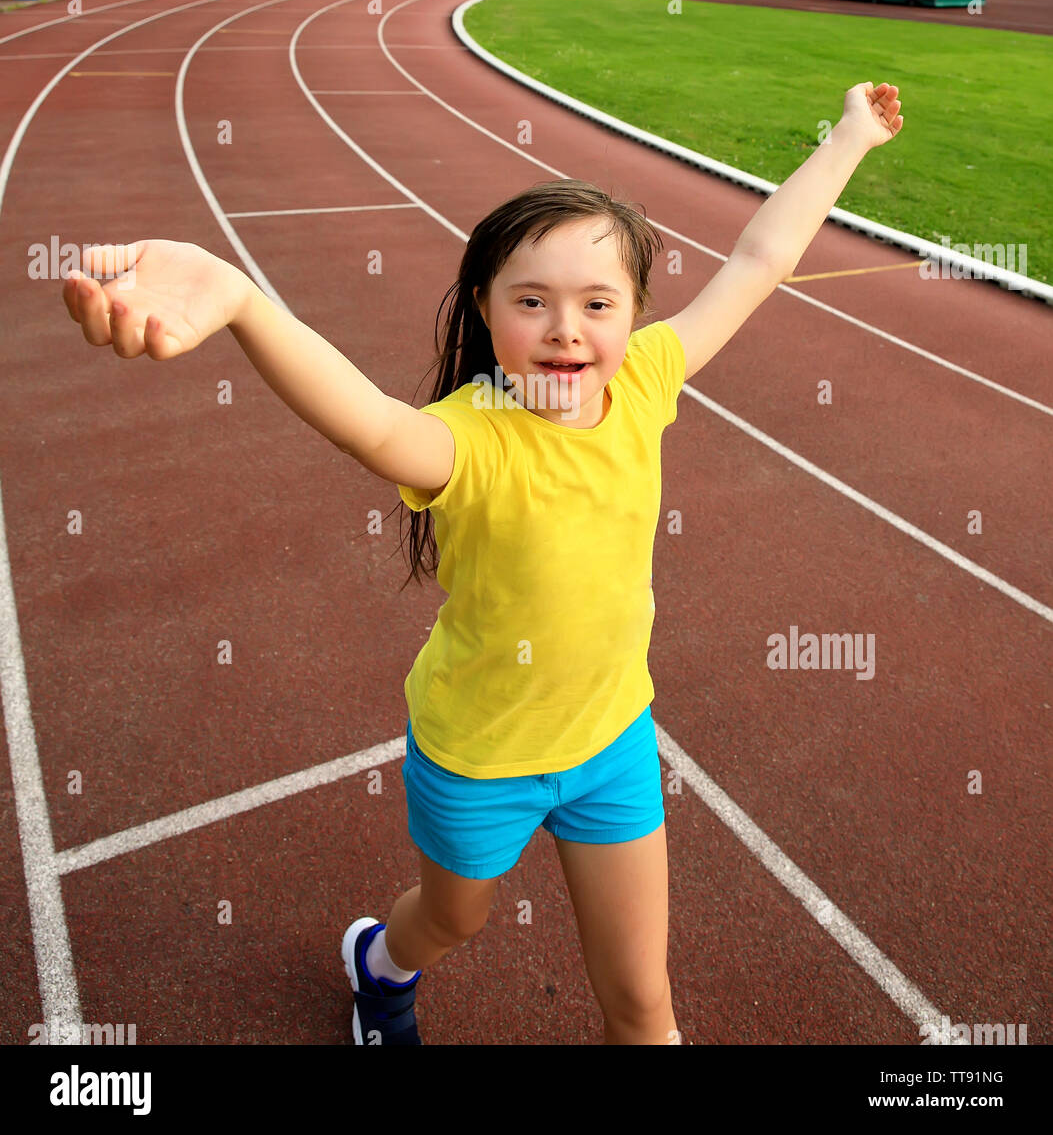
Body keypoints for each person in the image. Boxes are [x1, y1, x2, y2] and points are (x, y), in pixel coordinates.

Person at [60, 81, 903, 1045]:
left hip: (611, 745)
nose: (564, 328)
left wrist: (847, 136)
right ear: (485, 309)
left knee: (643, 1005)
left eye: (597, 302)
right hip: (477, 757)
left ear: (633, 316)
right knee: (453, 917)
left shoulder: (648, 381)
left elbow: (758, 258)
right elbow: (372, 425)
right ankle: (378, 967)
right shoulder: (472, 437)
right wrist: (243, 302)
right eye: (531, 301)